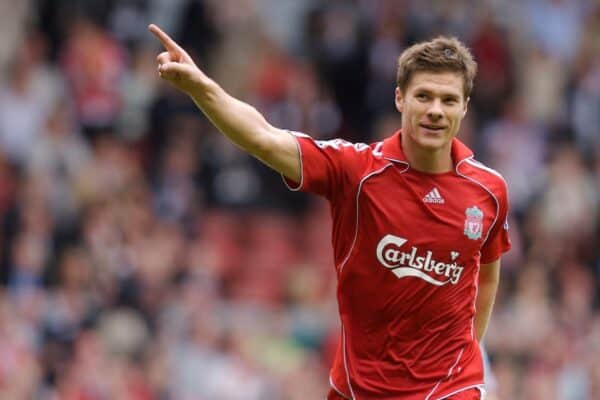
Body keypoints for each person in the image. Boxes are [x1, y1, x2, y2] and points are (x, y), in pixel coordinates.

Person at [149, 24, 510, 400]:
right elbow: (262, 135)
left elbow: (485, 280)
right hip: (363, 388)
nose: (435, 110)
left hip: (452, 388)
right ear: (400, 99)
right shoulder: (356, 171)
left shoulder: (489, 191)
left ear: (465, 107)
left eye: (448, 100)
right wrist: (201, 87)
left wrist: (465, 353)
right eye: (424, 96)